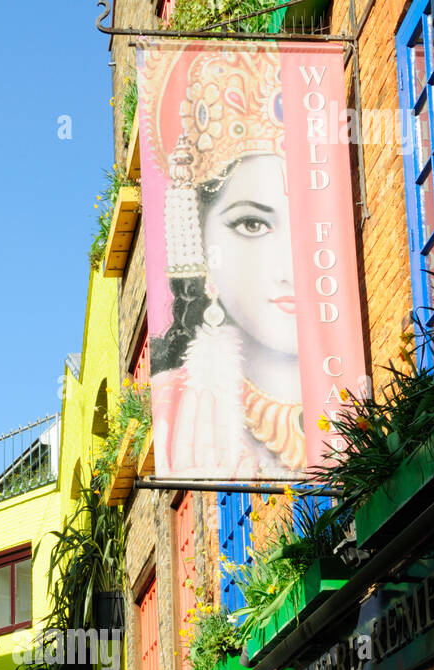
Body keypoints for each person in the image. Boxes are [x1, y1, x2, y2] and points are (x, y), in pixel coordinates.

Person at [141, 45, 305, 482]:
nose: (289, 268)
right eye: (252, 223)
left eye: (308, 220)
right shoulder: (188, 416)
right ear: (200, 241)